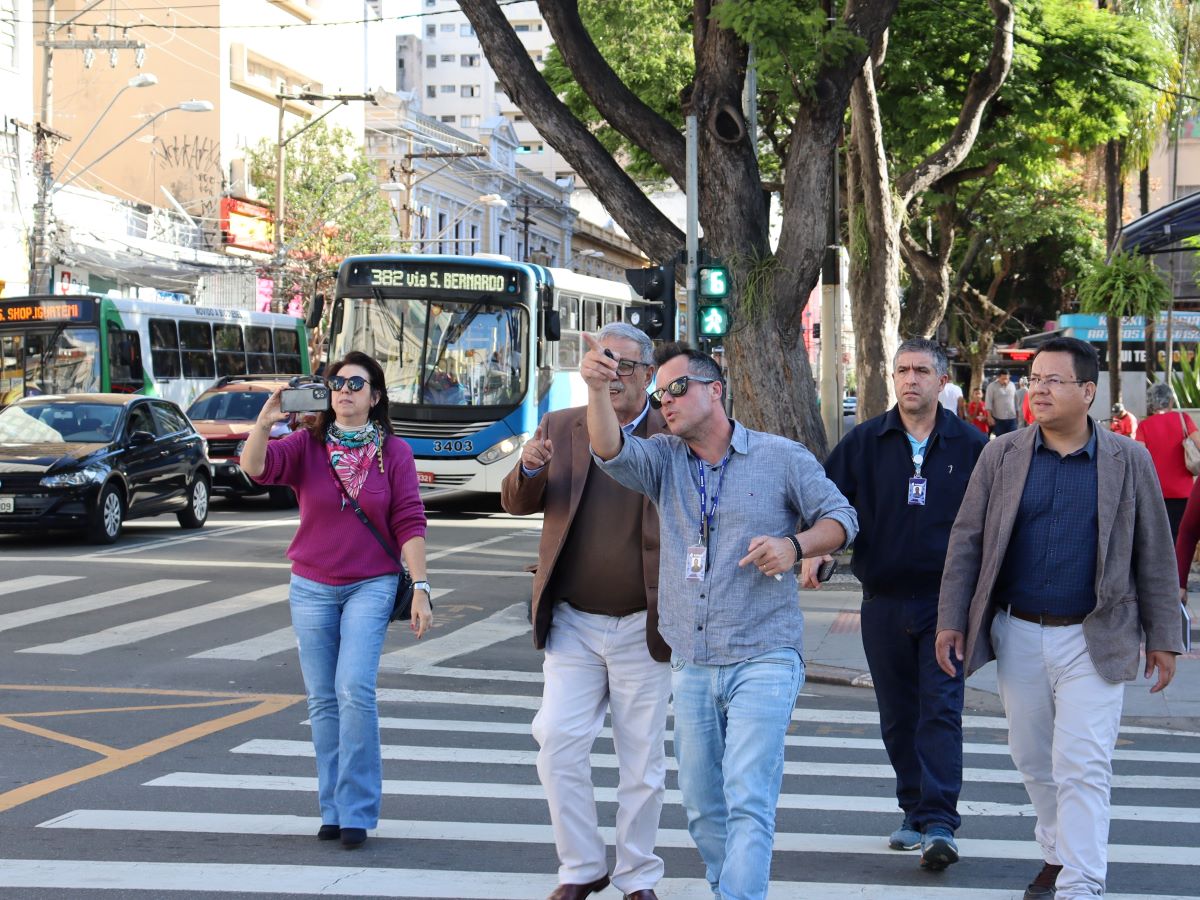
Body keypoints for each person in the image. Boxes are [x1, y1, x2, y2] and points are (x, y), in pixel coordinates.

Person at [583, 338, 858, 900]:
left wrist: (795, 545)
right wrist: (595, 389)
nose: (666, 402)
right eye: (660, 394)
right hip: (692, 660)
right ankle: (723, 884)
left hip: (765, 655)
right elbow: (609, 451)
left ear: (715, 389)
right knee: (705, 807)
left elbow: (841, 517)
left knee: (748, 795)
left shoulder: (781, 457)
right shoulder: (662, 458)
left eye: (677, 388)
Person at [935, 337, 1181, 900]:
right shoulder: (1002, 454)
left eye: (1053, 380)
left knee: (1083, 764)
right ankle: (1057, 852)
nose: (1038, 389)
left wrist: (1164, 636)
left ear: (1087, 392)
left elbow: (1155, 553)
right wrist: (952, 617)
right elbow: (967, 538)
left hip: (1096, 635)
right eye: (1034, 379)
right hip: (1017, 630)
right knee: (1031, 757)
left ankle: (1081, 884)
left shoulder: (1128, 459)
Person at [500, 322, 670, 900]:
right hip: (574, 620)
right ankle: (581, 866)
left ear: (648, 374)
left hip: (645, 624)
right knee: (556, 739)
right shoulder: (561, 425)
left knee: (641, 761)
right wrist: (528, 465)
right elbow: (518, 502)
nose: (613, 373)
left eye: (625, 364)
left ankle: (637, 875)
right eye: (603, 359)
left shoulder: (671, 431)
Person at [240, 351, 432, 850]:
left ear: (375, 395)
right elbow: (256, 470)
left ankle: (358, 811)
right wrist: (265, 423)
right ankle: (333, 808)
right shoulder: (306, 445)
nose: (345, 390)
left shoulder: (396, 454)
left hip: (372, 583)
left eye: (356, 383)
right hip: (311, 585)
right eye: (337, 383)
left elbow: (409, 520)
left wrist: (422, 587)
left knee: (353, 689)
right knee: (323, 700)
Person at [808, 338, 986, 871]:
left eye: (922, 370)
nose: (910, 379)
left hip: (946, 604)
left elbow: (995, 522)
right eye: (902, 370)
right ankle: (913, 809)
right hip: (882, 601)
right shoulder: (864, 442)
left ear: (942, 380)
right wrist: (818, 553)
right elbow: (827, 504)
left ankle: (939, 823)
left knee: (941, 710)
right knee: (897, 716)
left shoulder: (972, 446)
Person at [1135, 382, 1200, 540]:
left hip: (1154, 492)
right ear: (1170, 400)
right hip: (1183, 493)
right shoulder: (1183, 419)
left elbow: (1138, 457)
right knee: (1181, 538)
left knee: (1159, 539)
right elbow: (1198, 443)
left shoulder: (1144, 426)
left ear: (1151, 402)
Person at [985, 370, 1018, 436]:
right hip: (998, 419)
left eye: (1007, 379)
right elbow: (988, 402)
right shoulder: (992, 386)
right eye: (1003, 379)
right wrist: (989, 417)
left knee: (1013, 438)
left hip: (1012, 418)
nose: (1005, 381)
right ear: (998, 377)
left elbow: (1015, 400)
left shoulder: (1012, 385)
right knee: (1000, 440)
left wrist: (1018, 413)